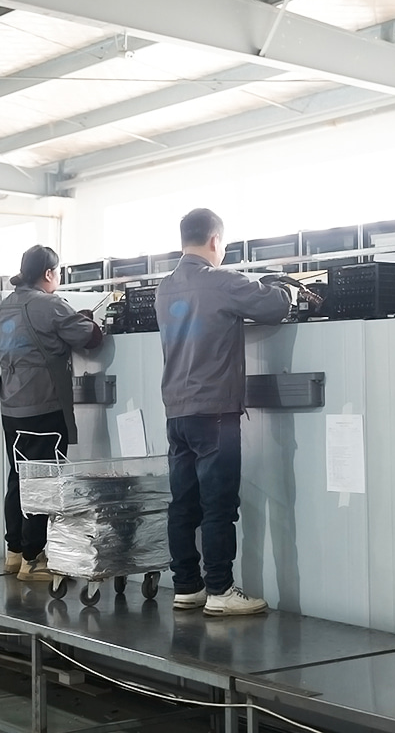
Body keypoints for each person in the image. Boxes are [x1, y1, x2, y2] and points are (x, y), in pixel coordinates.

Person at [154, 208, 291, 616]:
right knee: (218, 505)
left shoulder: (164, 288)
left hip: (176, 411)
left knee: (183, 504)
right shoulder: (221, 281)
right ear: (215, 241)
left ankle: (187, 586)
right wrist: (280, 286)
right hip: (214, 410)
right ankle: (220, 590)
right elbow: (275, 306)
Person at [0, 245, 102, 581]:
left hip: (12, 407)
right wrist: (86, 319)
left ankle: (14, 553)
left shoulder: (4, 306)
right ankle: (34, 560)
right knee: (43, 483)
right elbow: (91, 338)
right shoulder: (49, 304)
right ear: (49, 273)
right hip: (44, 405)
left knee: (19, 478)